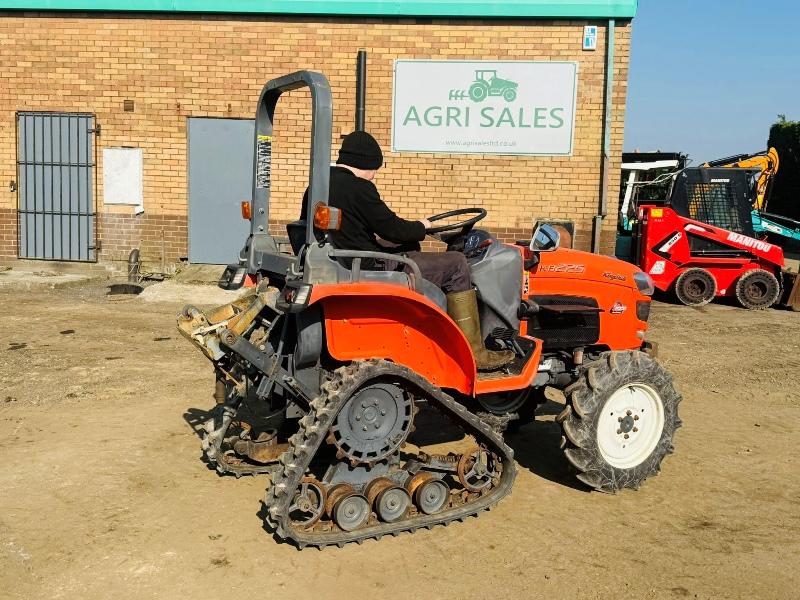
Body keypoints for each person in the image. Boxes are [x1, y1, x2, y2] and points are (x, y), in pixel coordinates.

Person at [301, 131, 513, 371]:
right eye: (374, 171)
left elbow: (379, 230)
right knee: (456, 263)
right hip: (368, 266)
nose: (373, 177)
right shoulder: (359, 188)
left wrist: (411, 235)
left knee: (411, 247)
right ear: (366, 163)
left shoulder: (319, 185)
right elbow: (392, 228)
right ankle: (475, 353)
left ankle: (432, 327)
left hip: (344, 258)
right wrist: (421, 226)